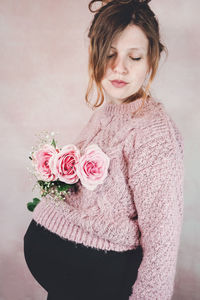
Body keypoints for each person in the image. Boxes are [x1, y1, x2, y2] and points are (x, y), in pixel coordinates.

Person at [23, 1, 184, 299]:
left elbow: (162, 241)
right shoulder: (107, 112)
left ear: (151, 60)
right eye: (109, 54)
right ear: (94, 54)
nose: (118, 67)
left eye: (133, 57)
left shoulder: (153, 133)